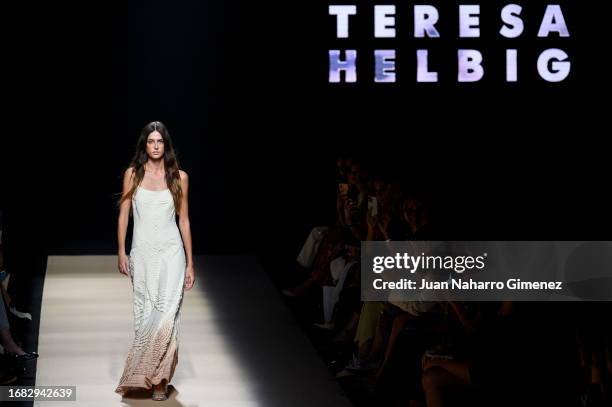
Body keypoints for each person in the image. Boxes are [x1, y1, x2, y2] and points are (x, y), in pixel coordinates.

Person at [114, 121, 195, 401]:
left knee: (167, 314)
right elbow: (124, 214)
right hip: (142, 252)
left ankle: (160, 380)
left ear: (166, 145)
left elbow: (184, 221)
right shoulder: (133, 175)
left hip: (172, 253)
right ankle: (143, 375)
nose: (156, 146)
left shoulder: (179, 177)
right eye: (151, 142)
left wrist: (190, 263)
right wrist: (122, 251)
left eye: (160, 141)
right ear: (144, 145)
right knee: (145, 311)